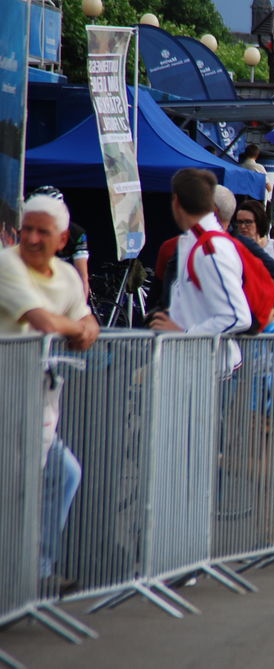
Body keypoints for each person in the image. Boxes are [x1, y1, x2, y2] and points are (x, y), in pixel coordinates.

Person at [0, 193, 100, 593]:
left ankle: (34, 572)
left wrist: (82, 327)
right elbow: (44, 322)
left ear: (62, 240)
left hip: (37, 403)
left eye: (44, 232)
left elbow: (85, 318)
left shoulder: (67, 275)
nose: (34, 238)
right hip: (8, 402)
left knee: (63, 474)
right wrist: (79, 329)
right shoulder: (8, 266)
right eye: (28, 229)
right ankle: (20, 576)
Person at [148, 169, 252, 346]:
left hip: (205, 366)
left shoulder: (209, 248)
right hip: (194, 362)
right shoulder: (199, 242)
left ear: (176, 201)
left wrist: (184, 333)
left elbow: (237, 317)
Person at [235, 199, 274, 264]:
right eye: (240, 222)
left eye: (248, 222)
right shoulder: (234, 248)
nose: (243, 226)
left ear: (259, 222)